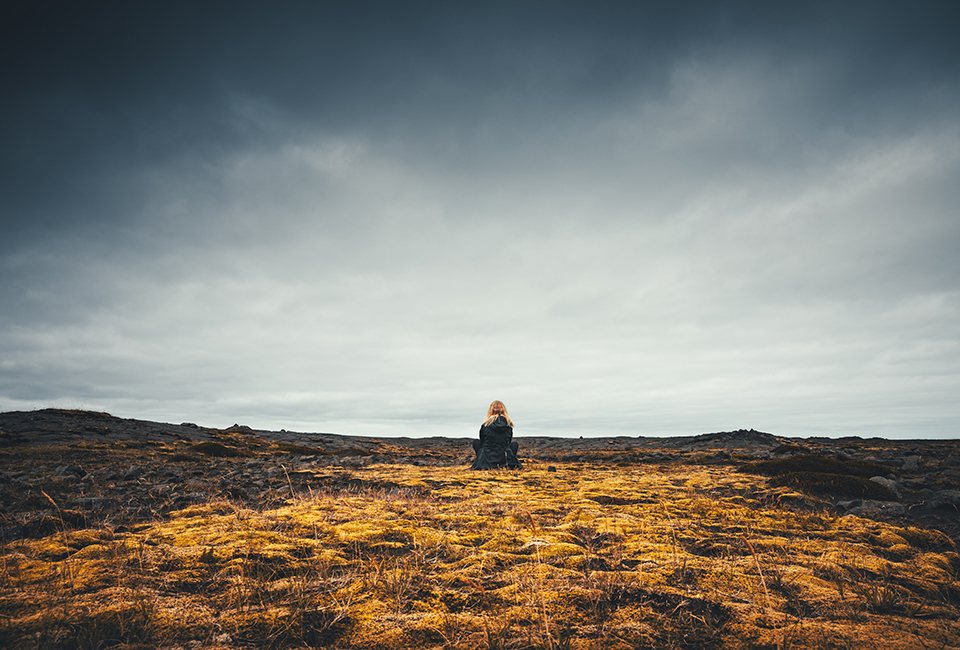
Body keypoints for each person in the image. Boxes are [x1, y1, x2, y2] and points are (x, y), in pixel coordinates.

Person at [470, 400, 522, 470]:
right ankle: (508, 463)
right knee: (514, 444)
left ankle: (481, 463)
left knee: (476, 442)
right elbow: (508, 442)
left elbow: (482, 441)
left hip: (487, 460)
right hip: (505, 459)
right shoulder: (508, 426)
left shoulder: (485, 425)